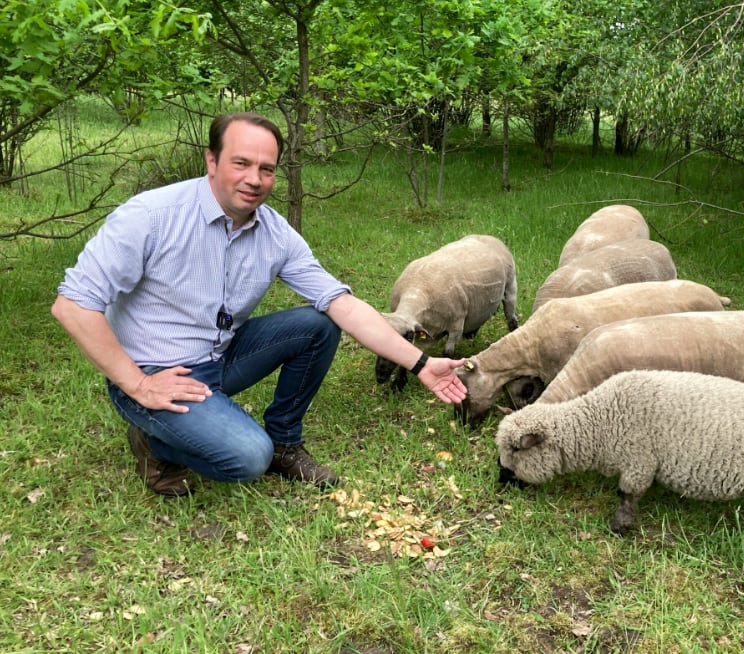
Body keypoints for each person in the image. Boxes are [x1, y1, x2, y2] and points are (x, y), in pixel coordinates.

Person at [52, 112, 467, 497]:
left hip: (219, 356)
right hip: (154, 370)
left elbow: (343, 304)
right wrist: (137, 384)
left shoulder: (274, 233)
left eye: (266, 169)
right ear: (211, 161)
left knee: (319, 324)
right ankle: (154, 439)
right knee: (249, 458)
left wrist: (421, 364)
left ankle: (285, 442)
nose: (254, 179)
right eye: (241, 163)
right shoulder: (151, 217)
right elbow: (73, 305)